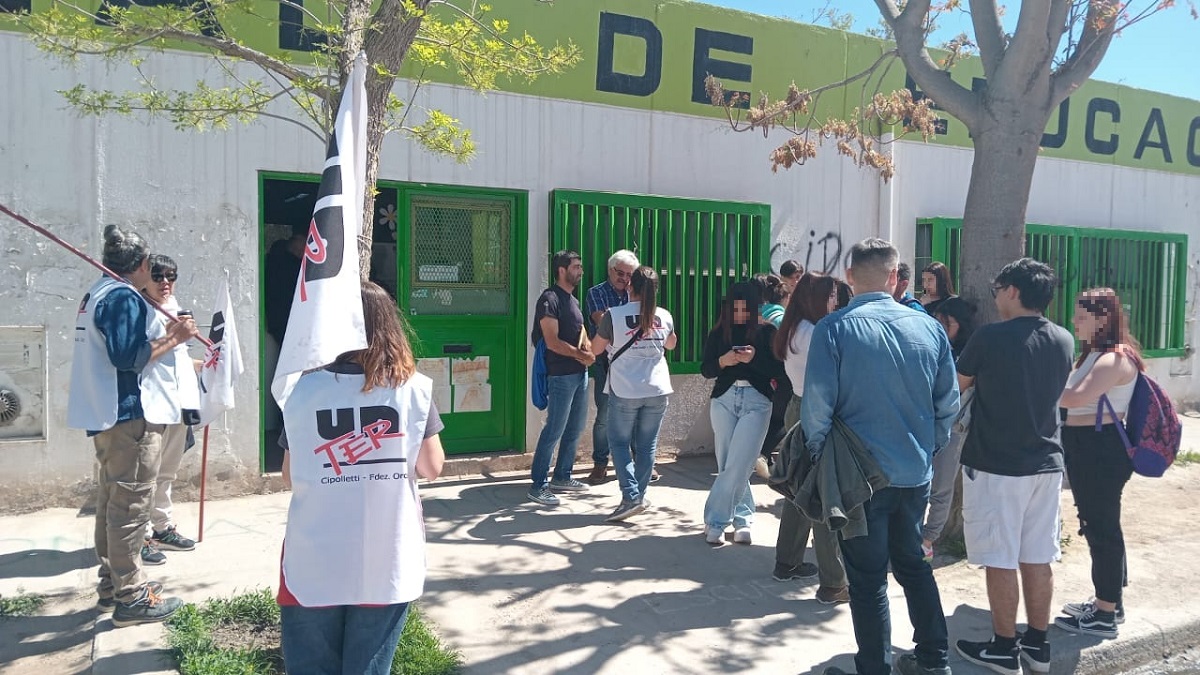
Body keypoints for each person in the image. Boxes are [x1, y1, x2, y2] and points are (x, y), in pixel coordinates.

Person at [804, 238, 958, 675]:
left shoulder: (834, 328)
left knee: (868, 580)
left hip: (858, 477)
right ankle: (934, 659)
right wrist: (929, 447)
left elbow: (817, 406)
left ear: (850, 277)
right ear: (895, 278)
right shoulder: (928, 326)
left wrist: (819, 456)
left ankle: (875, 667)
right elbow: (947, 402)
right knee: (913, 564)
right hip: (913, 472)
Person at [277, 281, 446, 674]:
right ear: (391, 326)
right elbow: (431, 467)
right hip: (384, 555)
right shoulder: (413, 391)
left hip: (313, 555)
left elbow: (290, 474)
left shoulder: (302, 391)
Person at [67, 224, 198, 627]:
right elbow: (129, 357)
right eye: (152, 268)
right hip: (129, 418)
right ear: (141, 264)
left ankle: (112, 586)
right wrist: (175, 339)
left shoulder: (97, 292)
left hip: (107, 416)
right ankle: (131, 596)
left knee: (112, 504)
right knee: (130, 507)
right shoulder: (122, 297)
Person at [954, 258, 1074, 675]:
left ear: (1012, 291)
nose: (995, 296)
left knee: (1000, 557)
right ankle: (1037, 645)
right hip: (1046, 463)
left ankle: (1004, 648)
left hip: (997, 465)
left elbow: (957, 387)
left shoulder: (990, 338)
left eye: (997, 288)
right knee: (1037, 555)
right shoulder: (1063, 339)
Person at [1054, 288, 1142, 640]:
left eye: (1082, 315)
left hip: (1100, 449)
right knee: (1098, 525)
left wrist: (1031, 386)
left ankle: (1106, 613)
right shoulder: (1096, 354)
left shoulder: (1114, 358)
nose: (1074, 321)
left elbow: (1075, 397)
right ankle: (1109, 600)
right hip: (1088, 446)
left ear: (1103, 318)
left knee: (1101, 528)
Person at [770, 273, 849, 604]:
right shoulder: (819, 332)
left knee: (797, 489)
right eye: (831, 296)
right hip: (818, 413)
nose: (835, 301)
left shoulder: (795, 329)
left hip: (798, 408)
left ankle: (786, 561)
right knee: (823, 495)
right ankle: (833, 582)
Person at [700, 282, 785, 546]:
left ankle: (715, 522)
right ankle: (742, 519)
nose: (738, 313)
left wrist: (753, 360)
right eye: (734, 308)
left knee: (741, 463)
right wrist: (724, 362)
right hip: (724, 399)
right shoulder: (719, 332)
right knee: (729, 464)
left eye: (744, 308)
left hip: (757, 401)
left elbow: (779, 371)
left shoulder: (767, 332)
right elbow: (707, 369)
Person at [590, 266, 677, 522]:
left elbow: (597, 349)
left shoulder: (613, 315)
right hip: (658, 388)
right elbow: (671, 343)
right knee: (647, 445)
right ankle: (638, 496)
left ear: (630, 287)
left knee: (618, 443)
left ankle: (630, 496)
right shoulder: (664, 315)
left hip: (625, 389)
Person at [138, 254, 201, 564]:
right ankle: (141, 535)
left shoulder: (175, 307)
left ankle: (162, 526)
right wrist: (173, 336)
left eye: (171, 276)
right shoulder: (139, 309)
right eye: (159, 276)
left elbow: (176, 359)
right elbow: (138, 357)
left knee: (167, 471)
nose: (165, 282)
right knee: (144, 474)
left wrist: (206, 366)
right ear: (145, 277)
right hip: (150, 402)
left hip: (178, 400)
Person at [528, 251, 595, 506]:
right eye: (576, 266)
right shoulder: (550, 299)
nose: (581, 271)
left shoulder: (573, 301)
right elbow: (552, 341)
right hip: (560, 375)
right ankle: (538, 484)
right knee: (554, 428)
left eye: (580, 266)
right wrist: (580, 355)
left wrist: (587, 349)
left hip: (579, 374)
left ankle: (562, 476)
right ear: (561, 270)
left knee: (575, 427)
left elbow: (580, 331)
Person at [920, 297, 978, 560]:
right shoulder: (931, 346)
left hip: (953, 427)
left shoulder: (967, 355)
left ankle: (928, 540)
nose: (940, 327)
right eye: (938, 321)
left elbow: (952, 391)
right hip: (924, 423)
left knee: (941, 487)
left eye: (947, 323)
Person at [584, 249, 638, 485]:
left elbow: (644, 322)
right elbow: (602, 321)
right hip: (605, 361)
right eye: (621, 273)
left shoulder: (636, 294)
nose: (625, 279)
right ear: (610, 270)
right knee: (605, 413)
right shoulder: (595, 293)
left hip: (633, 361)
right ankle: (599, 464)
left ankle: (637, 462)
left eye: (629, 275)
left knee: (636, 412)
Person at [752, 272, 792, 478]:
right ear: (783, 298)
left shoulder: (753, 313)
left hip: (754, 373)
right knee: (783, 418)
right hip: (782, 373)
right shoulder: (782, 318)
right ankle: (762, 454)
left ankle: (760, 455)